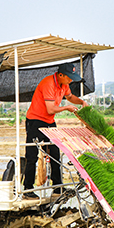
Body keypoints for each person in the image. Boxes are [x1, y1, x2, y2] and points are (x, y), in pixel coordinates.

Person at [23, 62, 87, 200]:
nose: (70, 80)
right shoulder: (48, 84)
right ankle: (27, 189)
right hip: (35, 121)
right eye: (69, 77)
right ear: (61, 75)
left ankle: (58, 187)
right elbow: (50, 109)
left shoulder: (64, 84)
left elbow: (70, 97)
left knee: (55, 153)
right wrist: (66, 108)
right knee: (32, 155)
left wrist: (81, 102)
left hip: (49, 121)